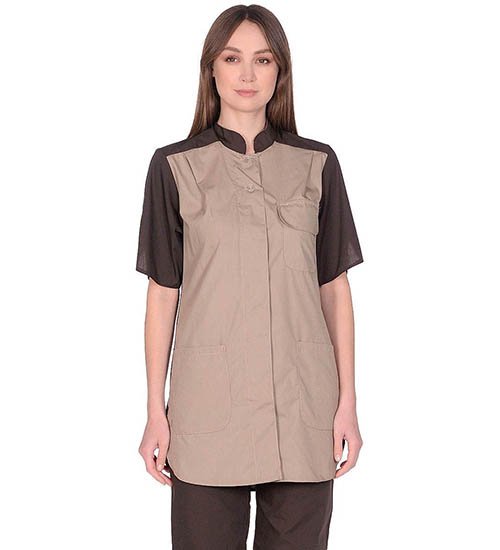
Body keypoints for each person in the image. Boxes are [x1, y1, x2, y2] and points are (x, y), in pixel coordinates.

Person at [136, 4, 364, 549]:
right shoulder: (174, 167)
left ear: (279, 71)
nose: (247, 74)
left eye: (262, 60)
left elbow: (334, 289)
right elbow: (163, 293)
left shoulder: (317, 164)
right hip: (207, 404)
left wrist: (348, 402)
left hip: (303, 404)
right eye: (231, 58)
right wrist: (154, 411)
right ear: (210, 69)